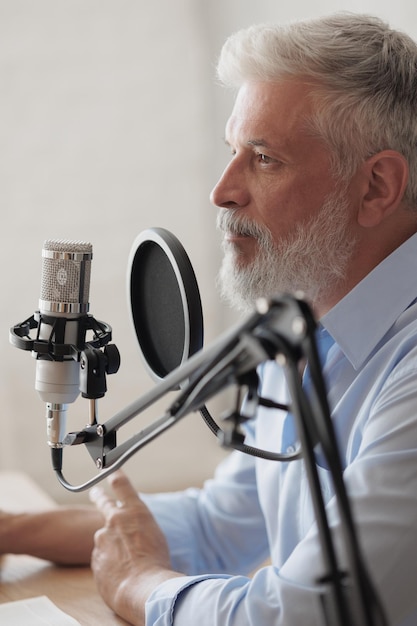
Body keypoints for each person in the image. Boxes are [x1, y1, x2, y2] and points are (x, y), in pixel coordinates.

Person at [2, 11, 417, 626]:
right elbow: (220, 522)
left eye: (264, 159)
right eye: (231, 152)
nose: (222, 190)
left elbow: (305, 615)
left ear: (376, 186)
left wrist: (141, 585)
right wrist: (17, 529)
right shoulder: (301, 329)